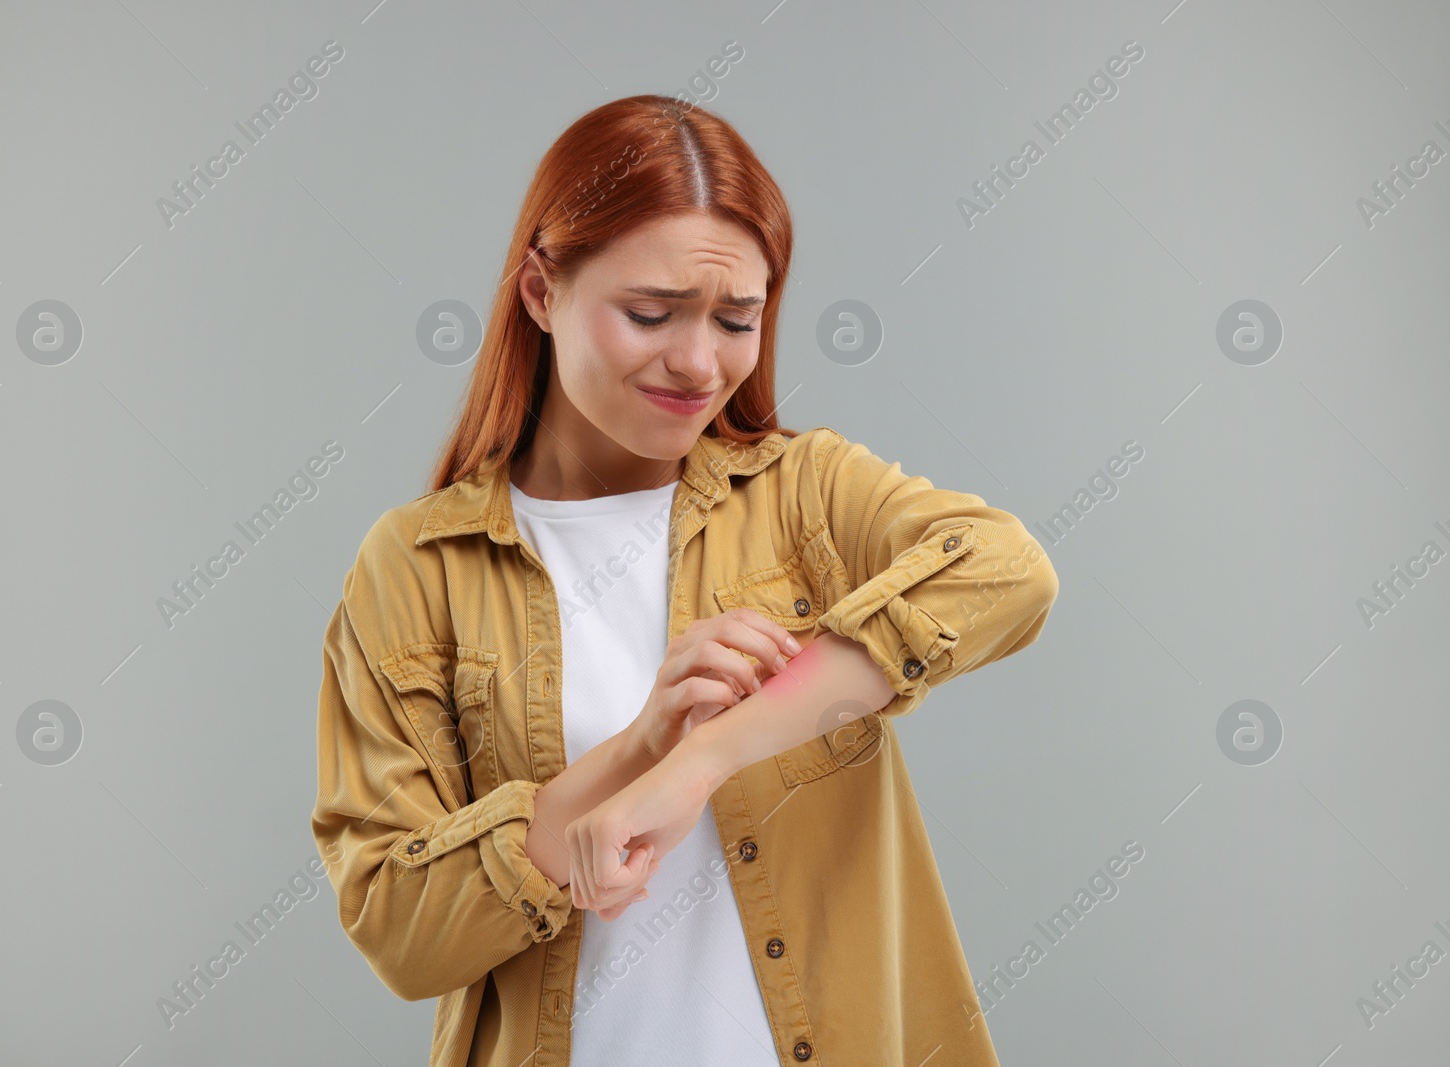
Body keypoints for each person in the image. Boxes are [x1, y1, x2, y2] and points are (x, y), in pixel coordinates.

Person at [311, 94, 1059, 1067]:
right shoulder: (416, 566)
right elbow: (401, 928)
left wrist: (702, 759)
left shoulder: (804, 492)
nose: (699, 362)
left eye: (736, 318)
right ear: (540, 291)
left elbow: (1007, 570)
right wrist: (638, 745)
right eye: (650, 313)